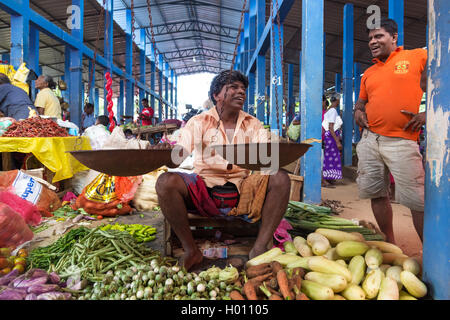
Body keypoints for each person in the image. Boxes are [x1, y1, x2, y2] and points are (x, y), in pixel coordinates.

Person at [153, 70, 291, 271]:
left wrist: (277, 151)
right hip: (203, 187)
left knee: (281, 179)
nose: (241, 92)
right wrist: (165, 152)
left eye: (243, 89)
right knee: (165, 182)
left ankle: (259, 248)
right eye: (233, 87)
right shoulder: (199, 122)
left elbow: (267, 158)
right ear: (217, 95)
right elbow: (178, 157)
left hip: (242, 187)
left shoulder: (253, 124)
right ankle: (192, 250)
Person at [354, 18, 427, 243]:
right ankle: (390, 241)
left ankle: (431, 253)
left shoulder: (416, 57)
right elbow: (361, 103)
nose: (372, 42)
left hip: (402, 140)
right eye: (370, 39)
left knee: (418, 201)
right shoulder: (368, 73)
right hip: (370, 140)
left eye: (379, 36)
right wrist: (357, 111)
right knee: (377, 194)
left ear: (394, 38)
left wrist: (429, 113)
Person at [322, 93, 343, 185]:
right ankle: (326, 178)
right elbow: (331, 127)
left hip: (330, 137)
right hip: (331, 138)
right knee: (330, 159)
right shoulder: (333, 111)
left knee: (330, 158)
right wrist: (337, 141)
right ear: (338, 100)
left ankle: (329, 178)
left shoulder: (329, 110)